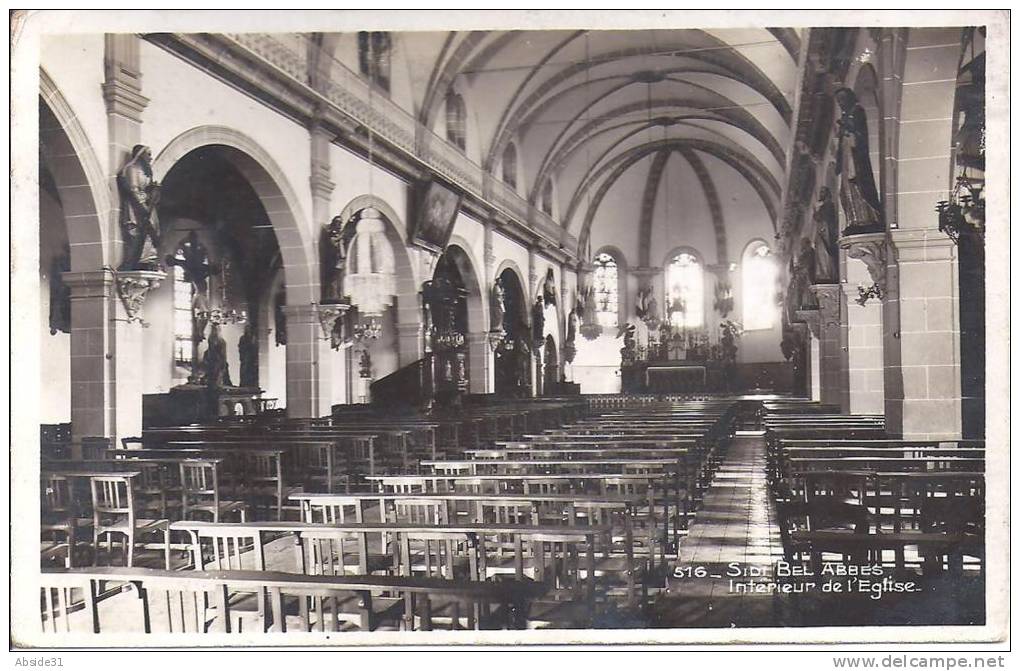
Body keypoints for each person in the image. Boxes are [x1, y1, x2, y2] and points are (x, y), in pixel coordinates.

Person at [834, 88, 883, 233]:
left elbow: (861, 135)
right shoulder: (845, 116)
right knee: (846, 190)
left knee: (859, 185)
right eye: (838, 101)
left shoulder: (857, 111)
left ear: (849, 98)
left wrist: (848, 129)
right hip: (847, 157)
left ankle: (869, 218)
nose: (841, 103)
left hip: (856, 159)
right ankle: (855, 219)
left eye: (842, 99)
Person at [117, 145, 162, 271]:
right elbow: (133, 189)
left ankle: (148, 260)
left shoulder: (146, 171)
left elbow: (148, 189)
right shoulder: (132, 168)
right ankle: (136, 261)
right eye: (148, 154)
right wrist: (143, 207)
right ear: (140, 155)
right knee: (136, 233)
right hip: (135, 208)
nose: (150, 157)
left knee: (151, 232)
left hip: (148, 205)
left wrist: (154, 193)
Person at [812, 187, 839, 283]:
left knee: (825, 252)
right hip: (822, 231)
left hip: (826, 232)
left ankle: (828, 273)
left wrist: (816, 210)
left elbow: (822, 217)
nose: (820, 194)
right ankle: (824, 273)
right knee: (820, 253)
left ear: (827, 193)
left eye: (822, 192)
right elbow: (817, 218)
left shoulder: (828, 205)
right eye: (820, 192)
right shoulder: (823, 206)